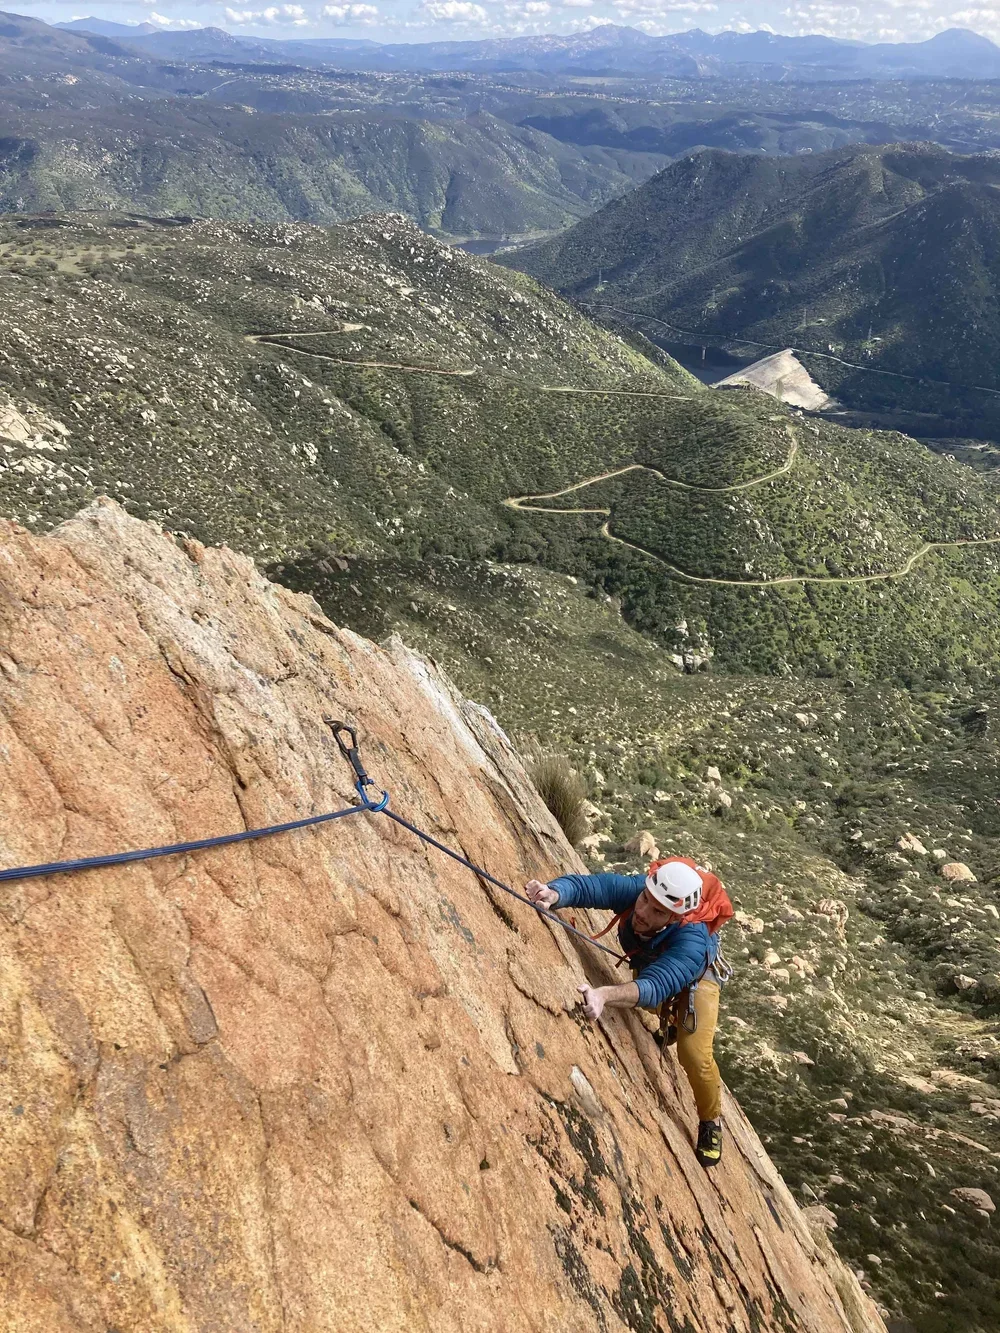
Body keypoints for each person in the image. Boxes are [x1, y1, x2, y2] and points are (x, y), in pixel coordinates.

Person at [525, 857, 733, 1168]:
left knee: (694, 1054)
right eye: (645, 900)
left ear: (676, 917)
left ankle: (711, 1122)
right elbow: (591, 887)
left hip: (699, 979)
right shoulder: (642, 891)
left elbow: (657, 985)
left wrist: (604, 995)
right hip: (657, 958)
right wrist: (554, 893)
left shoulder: (692, 940)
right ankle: (671, 1024)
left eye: (658, 912)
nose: (644, 912)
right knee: (648, 1000)